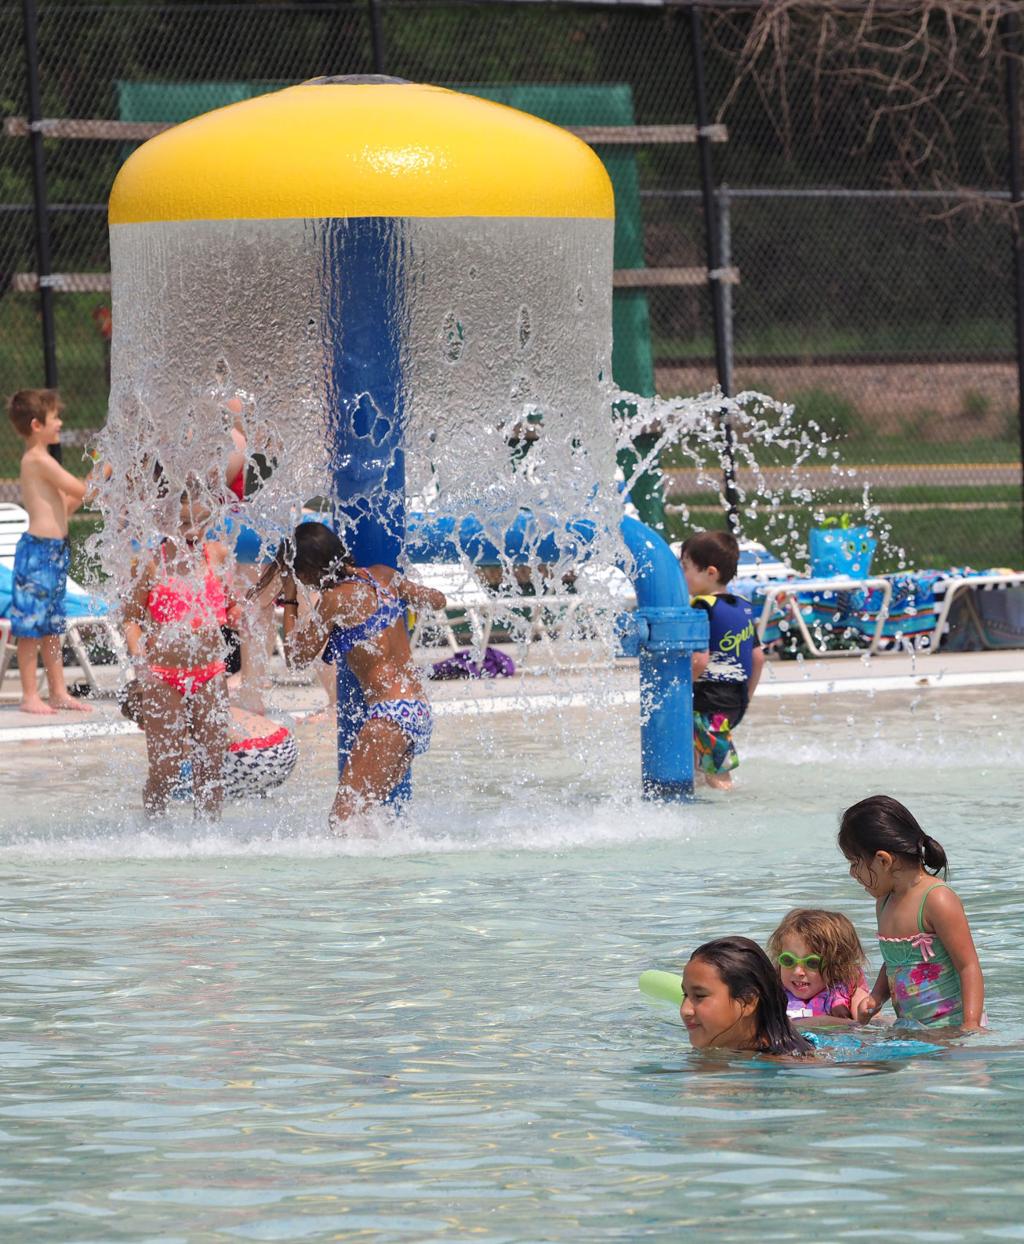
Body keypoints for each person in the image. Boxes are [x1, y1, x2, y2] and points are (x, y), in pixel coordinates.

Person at [253, 522, 447, 831]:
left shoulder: (334, 599)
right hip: (418, 710)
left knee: (341, 820)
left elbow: (297, 656)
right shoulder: (384, 576)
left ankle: (360, 880)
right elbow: (437, 600)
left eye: (299, 575)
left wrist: (289, 599)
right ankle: (383, 879)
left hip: (391, 714)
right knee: (368, 820)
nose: (302, 581)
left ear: (311, 570)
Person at [123, 498, 234, 818]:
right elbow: (130, 617)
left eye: (200, 523)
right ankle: (154, 825)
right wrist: (139, 657)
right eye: (184, 524)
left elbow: (228, 603)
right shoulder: (150, 563)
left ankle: (209, 839)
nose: (192, 532)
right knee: (166, 769)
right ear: (166, 524)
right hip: (163, 675)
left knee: (211, 770)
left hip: (210, 673)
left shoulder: (217, 555)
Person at [838, 794, 985, 1029]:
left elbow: (968, 966)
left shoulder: (937, 899)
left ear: (883, 860)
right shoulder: (884, 902)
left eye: (855, 863)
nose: (852, 873)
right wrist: (876, 997)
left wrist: (970, 1024)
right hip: (911, 1027)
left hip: (951, 1025)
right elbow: (894, 961)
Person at [6, 388, 102, 715]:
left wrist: (101, 474)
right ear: (36, 425)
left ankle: (58, 691)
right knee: (30, 628)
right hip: (37, 553)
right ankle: (30, 695)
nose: (60, 423)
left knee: (52, 625)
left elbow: (70, 504)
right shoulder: (37, 461)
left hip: (55, 553)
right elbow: (82, 491)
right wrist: (104, 469)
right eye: (54, 418)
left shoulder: (44, 462)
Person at [117, 680, 297, 801]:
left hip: (257, 755)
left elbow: (228, 737)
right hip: (286, 747)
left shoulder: (177, 717)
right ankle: (256, 793)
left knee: (178, 788)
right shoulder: (196, 699)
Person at [680, 530, 763, 790]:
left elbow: (700, 661)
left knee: (717, 774)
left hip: (708, 703)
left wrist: (678, 688)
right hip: (734, 701)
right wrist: (745, 698)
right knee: (700, 762)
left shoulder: (701, 607)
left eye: (685, 568)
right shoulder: (743, 607)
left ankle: (734, 815)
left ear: (710, 572)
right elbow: (758, 658)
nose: (681, 575)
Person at [681, 936, 814, 1055]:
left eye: (700, 996)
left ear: (748, 1000)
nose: (684, 1010)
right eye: (685, 994)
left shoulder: (786, 1067)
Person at [767, 908, 871, 1020]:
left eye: (812, 962)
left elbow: (872, 1026)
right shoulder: (772, 993)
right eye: (788, 960)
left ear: (838, 966)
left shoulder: (852, 994)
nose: (798, 972)